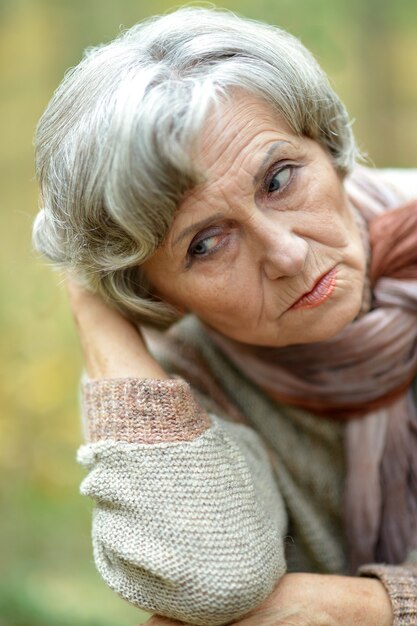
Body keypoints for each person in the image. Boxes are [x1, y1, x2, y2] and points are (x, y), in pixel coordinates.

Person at [32, 7, 417, 626]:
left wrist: (367, 608)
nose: (288, 254)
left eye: (280, 179)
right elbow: (208, 577)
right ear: (154, 292)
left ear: (327, 146)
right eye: (206, 243)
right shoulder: (167, 385)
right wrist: (91, 299)